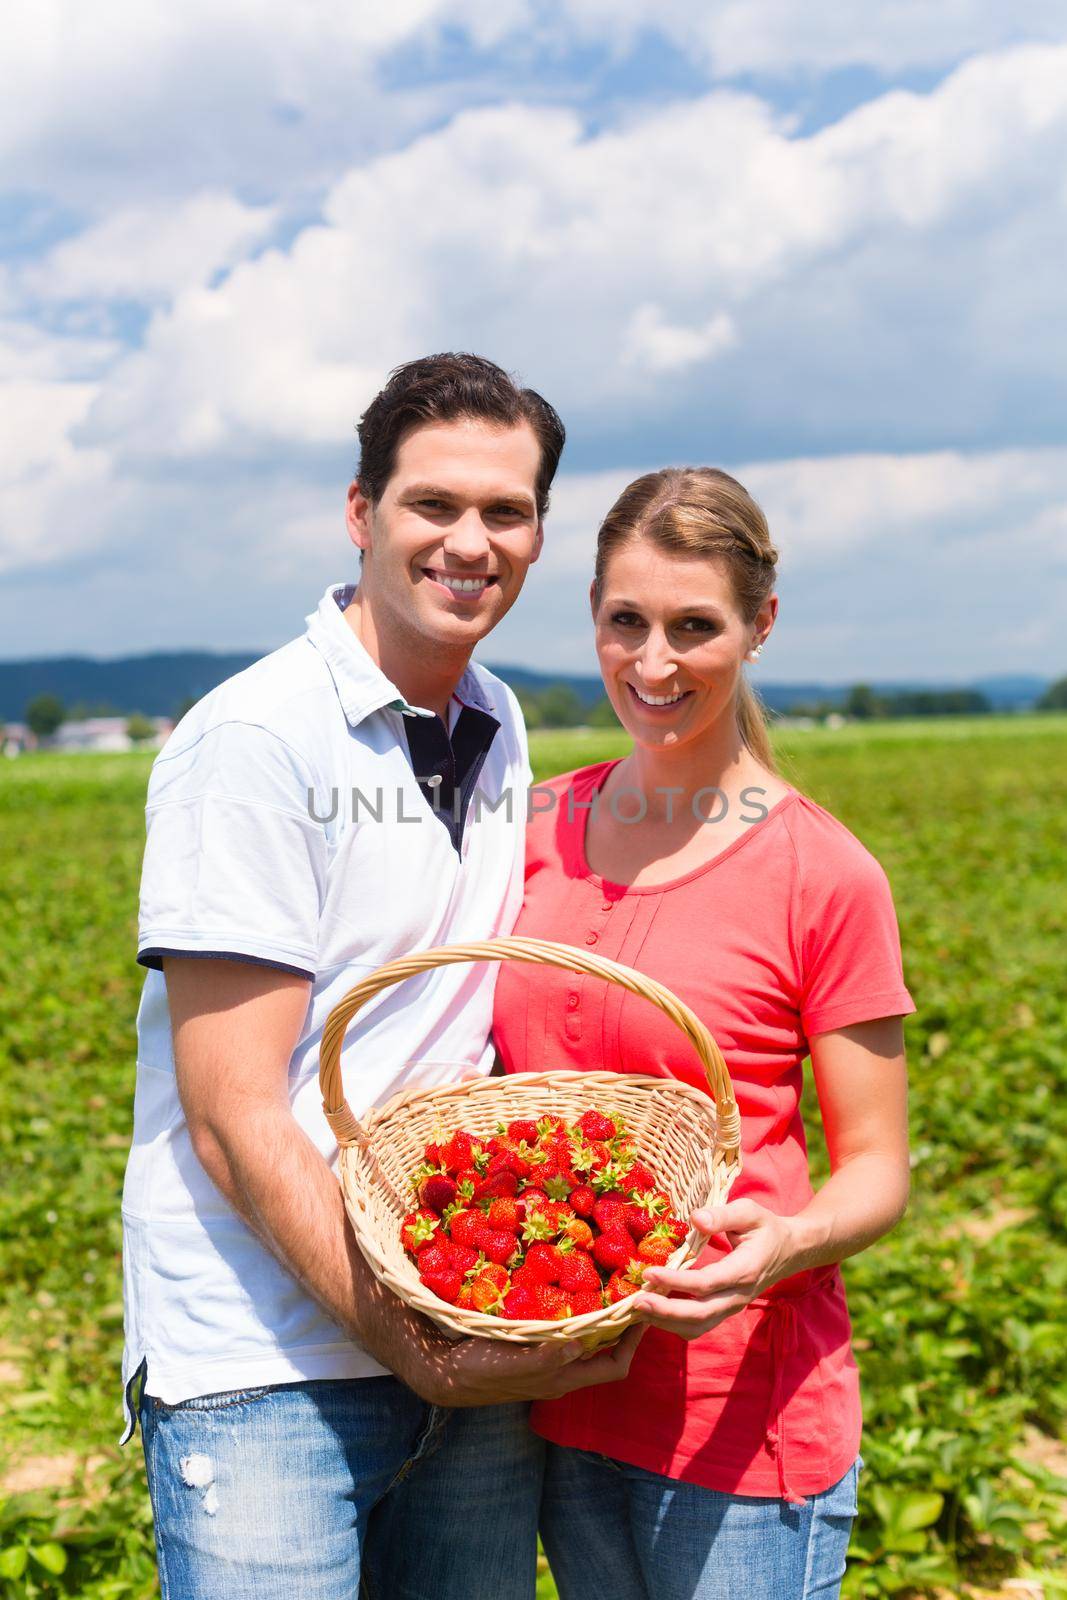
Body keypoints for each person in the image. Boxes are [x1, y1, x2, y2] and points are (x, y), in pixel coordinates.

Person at [121, 352, 641, 1600]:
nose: (471, 541)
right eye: (433, 505)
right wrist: (411, 1344)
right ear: (362, 515)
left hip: (460, 1328)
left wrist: (460, 1333)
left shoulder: (497, 721)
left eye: (506, 512)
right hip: (270, 1359)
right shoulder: (258, 740)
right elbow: (233, 1110)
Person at [493, 467, 916, 1600]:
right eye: (624, 622)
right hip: (562, 1392)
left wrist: (778, 1244)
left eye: (694, 627)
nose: (653, 662)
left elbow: (876, 1170)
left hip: (742, 1421)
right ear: (590, 615)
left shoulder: (819, 873)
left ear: (759, 625)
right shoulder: (535, 826)